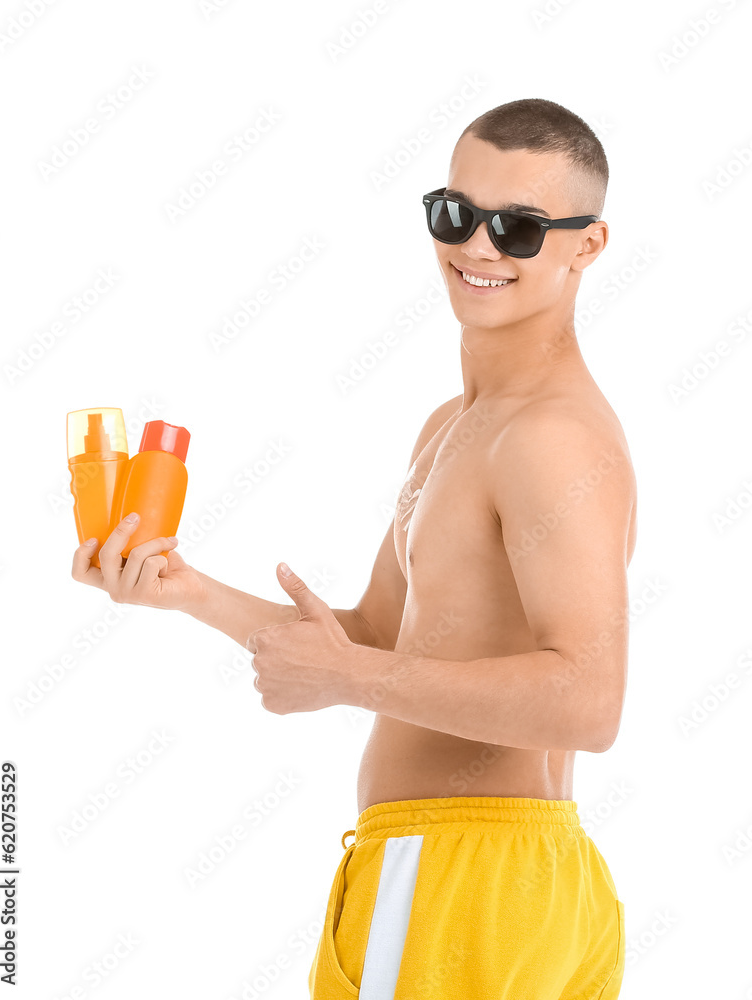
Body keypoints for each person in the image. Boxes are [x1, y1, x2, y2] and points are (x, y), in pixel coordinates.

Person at [71, 97, 634, 999]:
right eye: (456, 214)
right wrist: (182, 589)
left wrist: (349, 683)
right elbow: (376, 635)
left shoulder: (549, 438)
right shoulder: (456, 427)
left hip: (461, 878)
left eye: (521, 228)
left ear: (586, 245)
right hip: (475, 877)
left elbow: (588, 700)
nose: (479, 248)